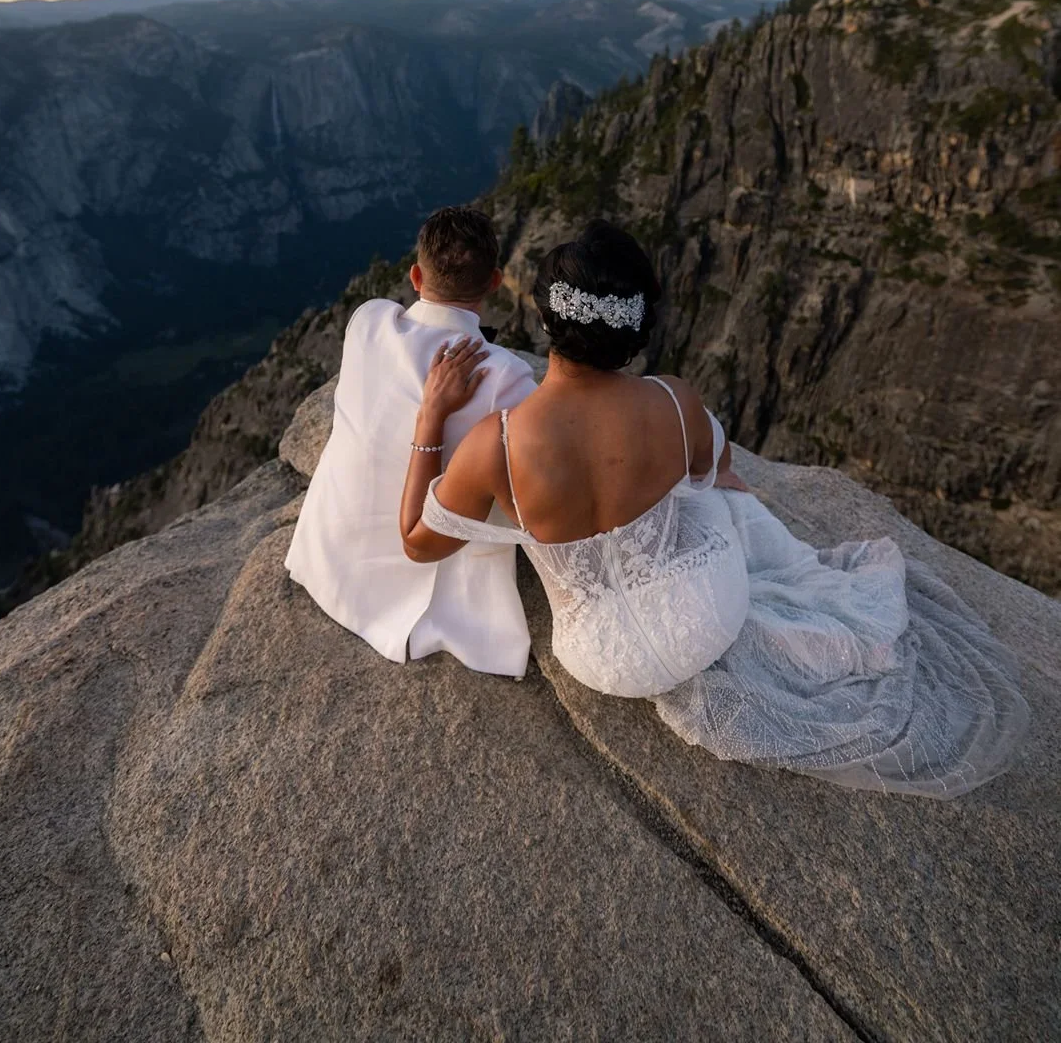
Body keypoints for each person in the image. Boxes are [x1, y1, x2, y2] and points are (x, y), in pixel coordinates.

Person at [399, 219, 1029, 797]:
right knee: (715, 493)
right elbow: (710, 474)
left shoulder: (495, 445)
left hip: (603, 660)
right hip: (710, 615)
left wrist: (431, 418)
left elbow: (417, 543)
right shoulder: (675, 402)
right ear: (636, 327)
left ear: (544, 318)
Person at [285, 206, 537, 675]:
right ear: (495, 282)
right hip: (409, 579)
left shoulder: (368, 320)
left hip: (326, 555)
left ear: (416, 276)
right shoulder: (503, 374)